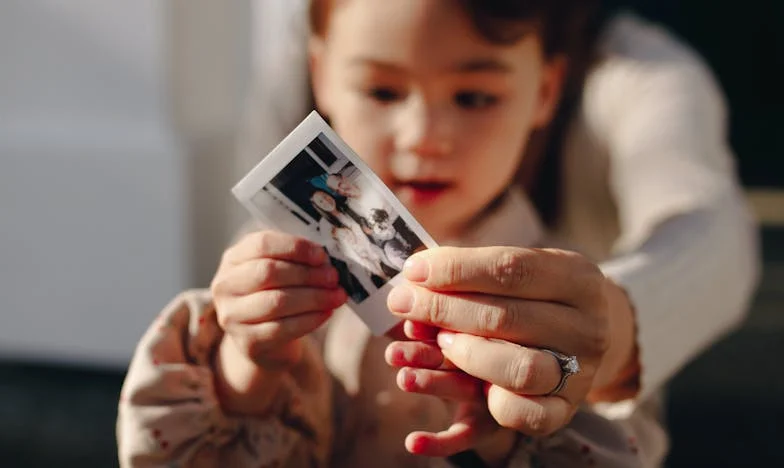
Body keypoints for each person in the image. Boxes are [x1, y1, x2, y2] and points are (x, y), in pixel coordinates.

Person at [117, 1, 760, 467]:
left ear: (547, 89)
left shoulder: (638, 86)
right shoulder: (304, 262)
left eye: (474, 97)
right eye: (382, 90)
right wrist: (244, 366)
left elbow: (709, 240)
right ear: (319, 74)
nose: (424, 135)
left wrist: (524, 422)